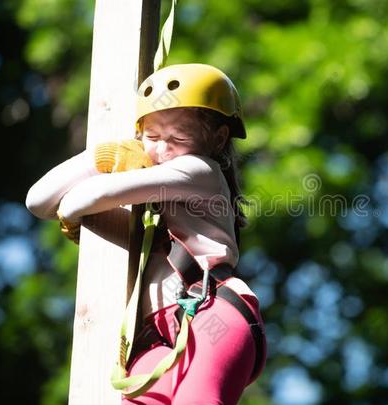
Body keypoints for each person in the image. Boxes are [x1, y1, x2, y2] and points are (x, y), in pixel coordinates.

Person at [25, 63, 266, 404]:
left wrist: (103, 173)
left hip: (212, 315)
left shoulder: (200, 170)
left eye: (178, 138)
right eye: (152, 137)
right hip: (157, 336)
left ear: (217, 139)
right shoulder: (153, 216)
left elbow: (86, 197)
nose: (163, 150)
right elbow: (38, 200)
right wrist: (103, 156)